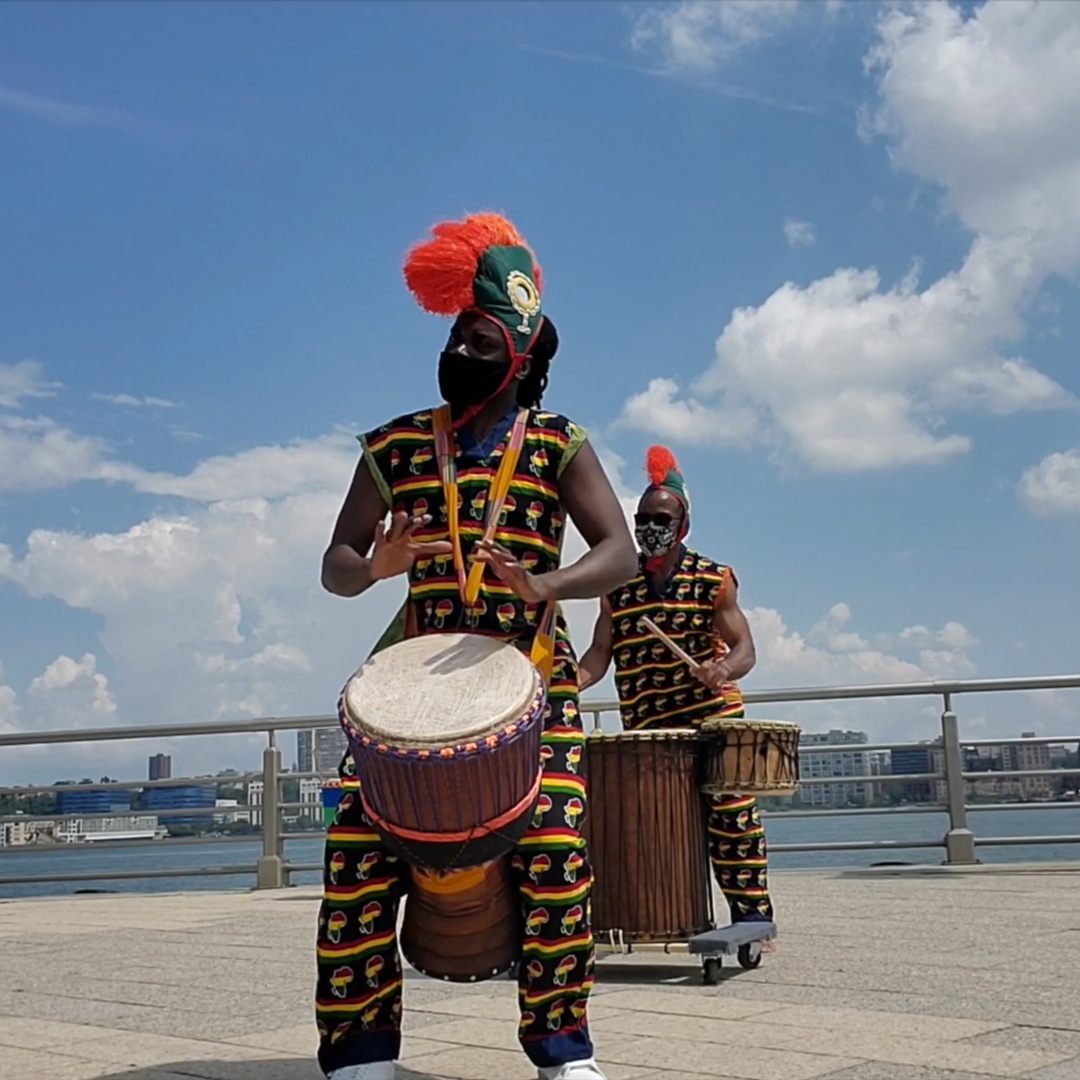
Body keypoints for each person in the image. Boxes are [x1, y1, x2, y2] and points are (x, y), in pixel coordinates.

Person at [316, 213, 637, 1080]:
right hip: (412, 680)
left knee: (557, 850)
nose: (462, 348)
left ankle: (562, 1049)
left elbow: (618, 552)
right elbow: (335, 566)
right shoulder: (396, 446)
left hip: (534, 674)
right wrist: (376, 565)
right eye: (458, 333)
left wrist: (545, 585)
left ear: (524, 355)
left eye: (481, 336)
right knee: (354, 844)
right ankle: (360, 1052)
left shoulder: (556, 443)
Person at [578, 445, 774, 929]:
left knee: (731, 814)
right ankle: (664, 915)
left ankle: (751, 916)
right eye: (643, 517)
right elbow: (600, 653)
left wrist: (723, 669)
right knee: (654, 822)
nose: (650, 526)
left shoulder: (714, 579)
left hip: (711, 717)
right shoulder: (617, 586)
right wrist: (566, 684)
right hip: (650, 724)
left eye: (661, 517)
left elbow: (744, 647)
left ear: (682, 523)